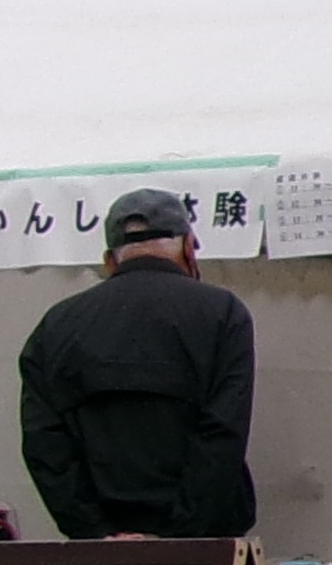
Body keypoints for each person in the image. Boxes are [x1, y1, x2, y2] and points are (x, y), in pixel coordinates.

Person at [16, 189, 257, 540]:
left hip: (102, 543)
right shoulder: (222, 313)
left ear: (109, 259)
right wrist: (181, 531)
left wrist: (96, 531)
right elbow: (224, 431)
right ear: (189, 247)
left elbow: (44, 443)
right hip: (206, 540)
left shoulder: (58, 324)